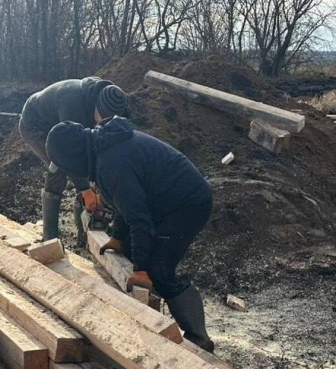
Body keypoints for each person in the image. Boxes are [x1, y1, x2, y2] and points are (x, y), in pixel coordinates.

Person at [46, 117, 215, 351]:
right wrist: (117, 237)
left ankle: (199, 338)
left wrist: (142, 271)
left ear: (72, 158)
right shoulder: (101, 148)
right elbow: (126, 203)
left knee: (158, 270)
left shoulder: (111, 163)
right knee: (135, 251)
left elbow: (140, 219)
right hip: (167, 201)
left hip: (188, 205)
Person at [19, 77, 127, 242]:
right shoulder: (73, 103)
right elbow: (67, 153)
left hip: (61, 121)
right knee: (59, 166)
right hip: (36, 124)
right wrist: (85, 188)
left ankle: (83, 233)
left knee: (87, 168)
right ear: (95, 107)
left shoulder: (112, 101)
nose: (103, 123)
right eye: (102, 118)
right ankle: (50, 235)